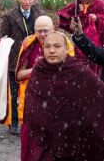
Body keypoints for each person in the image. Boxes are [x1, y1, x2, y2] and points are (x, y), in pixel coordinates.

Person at [23, 32, 104, 161]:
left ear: (66, 49)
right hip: (48, 139)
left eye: (57, 46)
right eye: (47, 46)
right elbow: (32, 104)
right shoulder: (39, 70)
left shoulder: (77, 70)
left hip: (75, 137)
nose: (52, 51)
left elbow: (99, 96)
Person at [16, 16, 74, 161]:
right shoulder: (28, 43)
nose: (42, 35)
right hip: (32, 104)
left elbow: (71, 75)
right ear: (34, 31)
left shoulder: (64, 44)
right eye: (39, 31)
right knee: (31, 150)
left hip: (55, 105)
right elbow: (18, 75)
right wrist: (36, 68)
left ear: (53, 29)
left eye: (46, 31)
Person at [0, 0, 42, 135]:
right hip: (15, 60)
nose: (27, 1)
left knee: (32, 91)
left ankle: (30, 121)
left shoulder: (38, 14)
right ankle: (14, 122)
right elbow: (2, 38)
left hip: (33, 58)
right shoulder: (9, 16)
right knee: (14, 93)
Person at [58, 0, 104, 75]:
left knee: (93, 72)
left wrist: (97, 19)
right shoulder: (78, 4)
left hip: (94, 46)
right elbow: (65, 15)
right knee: (80, 70)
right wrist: (72, 22)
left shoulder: (100, 5)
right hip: (80, 43)